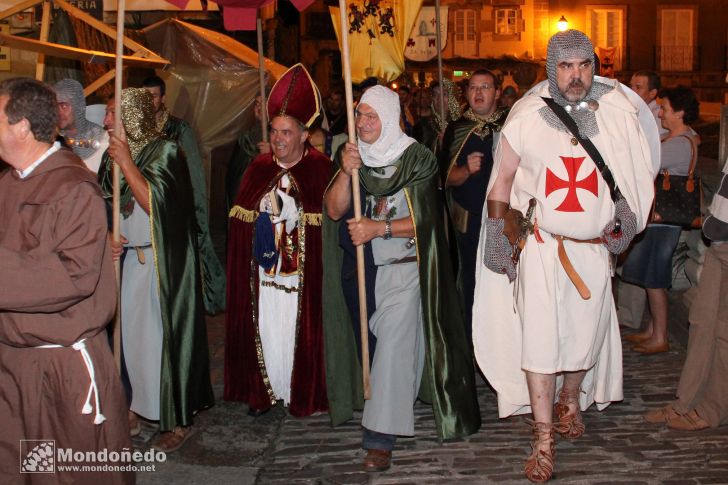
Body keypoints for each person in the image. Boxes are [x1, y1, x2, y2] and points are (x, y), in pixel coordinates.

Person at [473, 30, 656, 482]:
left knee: (582, 338)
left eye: (584, 65)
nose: (576, 76)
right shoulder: (527, 118)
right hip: (541, 248)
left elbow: (631, 180)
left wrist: (625, 224)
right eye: (566, 66)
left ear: (594, 67)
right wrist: (498, 238)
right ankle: (543, 438)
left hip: (591, 253)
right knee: (539, 340)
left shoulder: (615, 119)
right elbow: (501, 184)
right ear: (551, 70)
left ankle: (571, 399)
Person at [323, 85, 480, 472]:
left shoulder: (417, 158)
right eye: (359, 114)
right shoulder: (352, 155)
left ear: (391, 117)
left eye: (372, 116)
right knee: (383, 348)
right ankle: (395, 402)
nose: (363, 122)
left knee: (392, 342)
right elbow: (333, 209)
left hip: (405, 267)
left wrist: (379, 229)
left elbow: (428, 220)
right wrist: (346, 171)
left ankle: (379, 437)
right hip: (361, 269)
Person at [0, 77, 132, 483]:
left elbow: (72, 276)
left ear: (21, 127)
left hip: (61, 370)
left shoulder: (74, 188)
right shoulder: (7, 183)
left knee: (69, 474)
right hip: (14, 363)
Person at [98, 88, 215, 453]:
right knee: (129, 344)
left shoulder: (166, 151)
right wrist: (106, 235)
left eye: (114, 113)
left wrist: (128, 164)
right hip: (128, 260)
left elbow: (159, 206)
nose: (106, 121)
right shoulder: (110, 156)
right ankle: (132, 409)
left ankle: (175, 421)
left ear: (133, 114)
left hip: (163, 264)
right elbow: (102, 205)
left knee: (164, 344)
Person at [225, 64, 331, 417]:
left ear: (305, 135)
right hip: (266, 275)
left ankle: (296, 389)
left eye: (286, 132)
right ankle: (265, 390)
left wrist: (292, 209)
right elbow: (239, 222)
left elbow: (325, 226)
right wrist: (261, 211)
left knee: (293, 329)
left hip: (301, 278)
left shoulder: (321, 170)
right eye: (274, 132)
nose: (278, 139)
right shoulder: (258, 168)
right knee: (267, 328)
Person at [643, 160, 728, 430]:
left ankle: (712, 409)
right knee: (702, 322)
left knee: (724, 333)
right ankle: (686, 402)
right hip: (719, 244)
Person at [622, 86, 701, 354]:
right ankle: (652, 330)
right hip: (657, 219)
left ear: (679, 112)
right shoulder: (675, 137)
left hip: (664, 219)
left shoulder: (679, 144)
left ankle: (661, 336)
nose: (661, 114)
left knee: (655, 280)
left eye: (665, 109)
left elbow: (644, 162)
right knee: (648, 276)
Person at [141, 75, 225, 314]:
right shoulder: (135, 128)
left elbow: (194, 175)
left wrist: (196, 211)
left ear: (163, 99)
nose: (149, 102)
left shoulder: (179, 129)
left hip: (173, 209)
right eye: (144, 97)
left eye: (154, 96)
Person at [440, 69, 508, 339]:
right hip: (468, 224)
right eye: (473, 88)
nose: (478, 93)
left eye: (485, 87)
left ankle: (503, 340)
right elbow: (444, 179)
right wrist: (466, 170)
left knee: (503, 281)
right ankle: (472, 342)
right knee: (471, 282)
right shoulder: (457, 130)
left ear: (497, 93)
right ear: (467, 93)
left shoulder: (511, 124)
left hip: (504, 221)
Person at [226, 93, 270, 211]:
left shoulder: (279, 136)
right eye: (256, 104)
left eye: (263, 103)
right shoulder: (244, 138)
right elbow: (235, 175)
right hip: (246, 201)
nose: (259, 107)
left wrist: (273, 154)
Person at [53, 78, 108, 173]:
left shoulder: (105, 140)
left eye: (64, 106)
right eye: (55, 106)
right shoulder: (51, 142)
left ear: (78, 105)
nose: (58, 112)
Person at [413, 79, 463, 156]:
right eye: (435, 95)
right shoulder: (422, 126)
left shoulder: (463, 125)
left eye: (445, 94)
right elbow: (416, 157)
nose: (439, 99)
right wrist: (438, 145)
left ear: (453, 98)